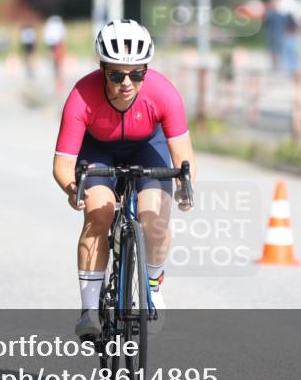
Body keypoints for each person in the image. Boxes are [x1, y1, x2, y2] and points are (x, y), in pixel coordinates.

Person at [52, 19, 196, 340]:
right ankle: (90, 310)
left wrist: (185, 187)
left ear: (147, 70)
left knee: (155, 219)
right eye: (117, 75)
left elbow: (183, 157)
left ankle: (153, 288)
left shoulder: (163, 93)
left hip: (147, 147)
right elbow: (62, 164)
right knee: (98, 214)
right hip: (99, 150)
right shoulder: (82, 96)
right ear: (102, 70)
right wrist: (73, 189)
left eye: (137, 74)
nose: (127, 83)